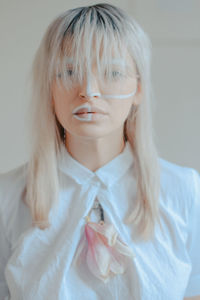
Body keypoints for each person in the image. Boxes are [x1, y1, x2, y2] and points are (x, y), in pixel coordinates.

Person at [0, 3, 199, 300]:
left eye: (112, 72)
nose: (89, 90)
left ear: (138, 88)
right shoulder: (9, 197)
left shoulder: (184, 190)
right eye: (69, 71)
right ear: (49, 88)